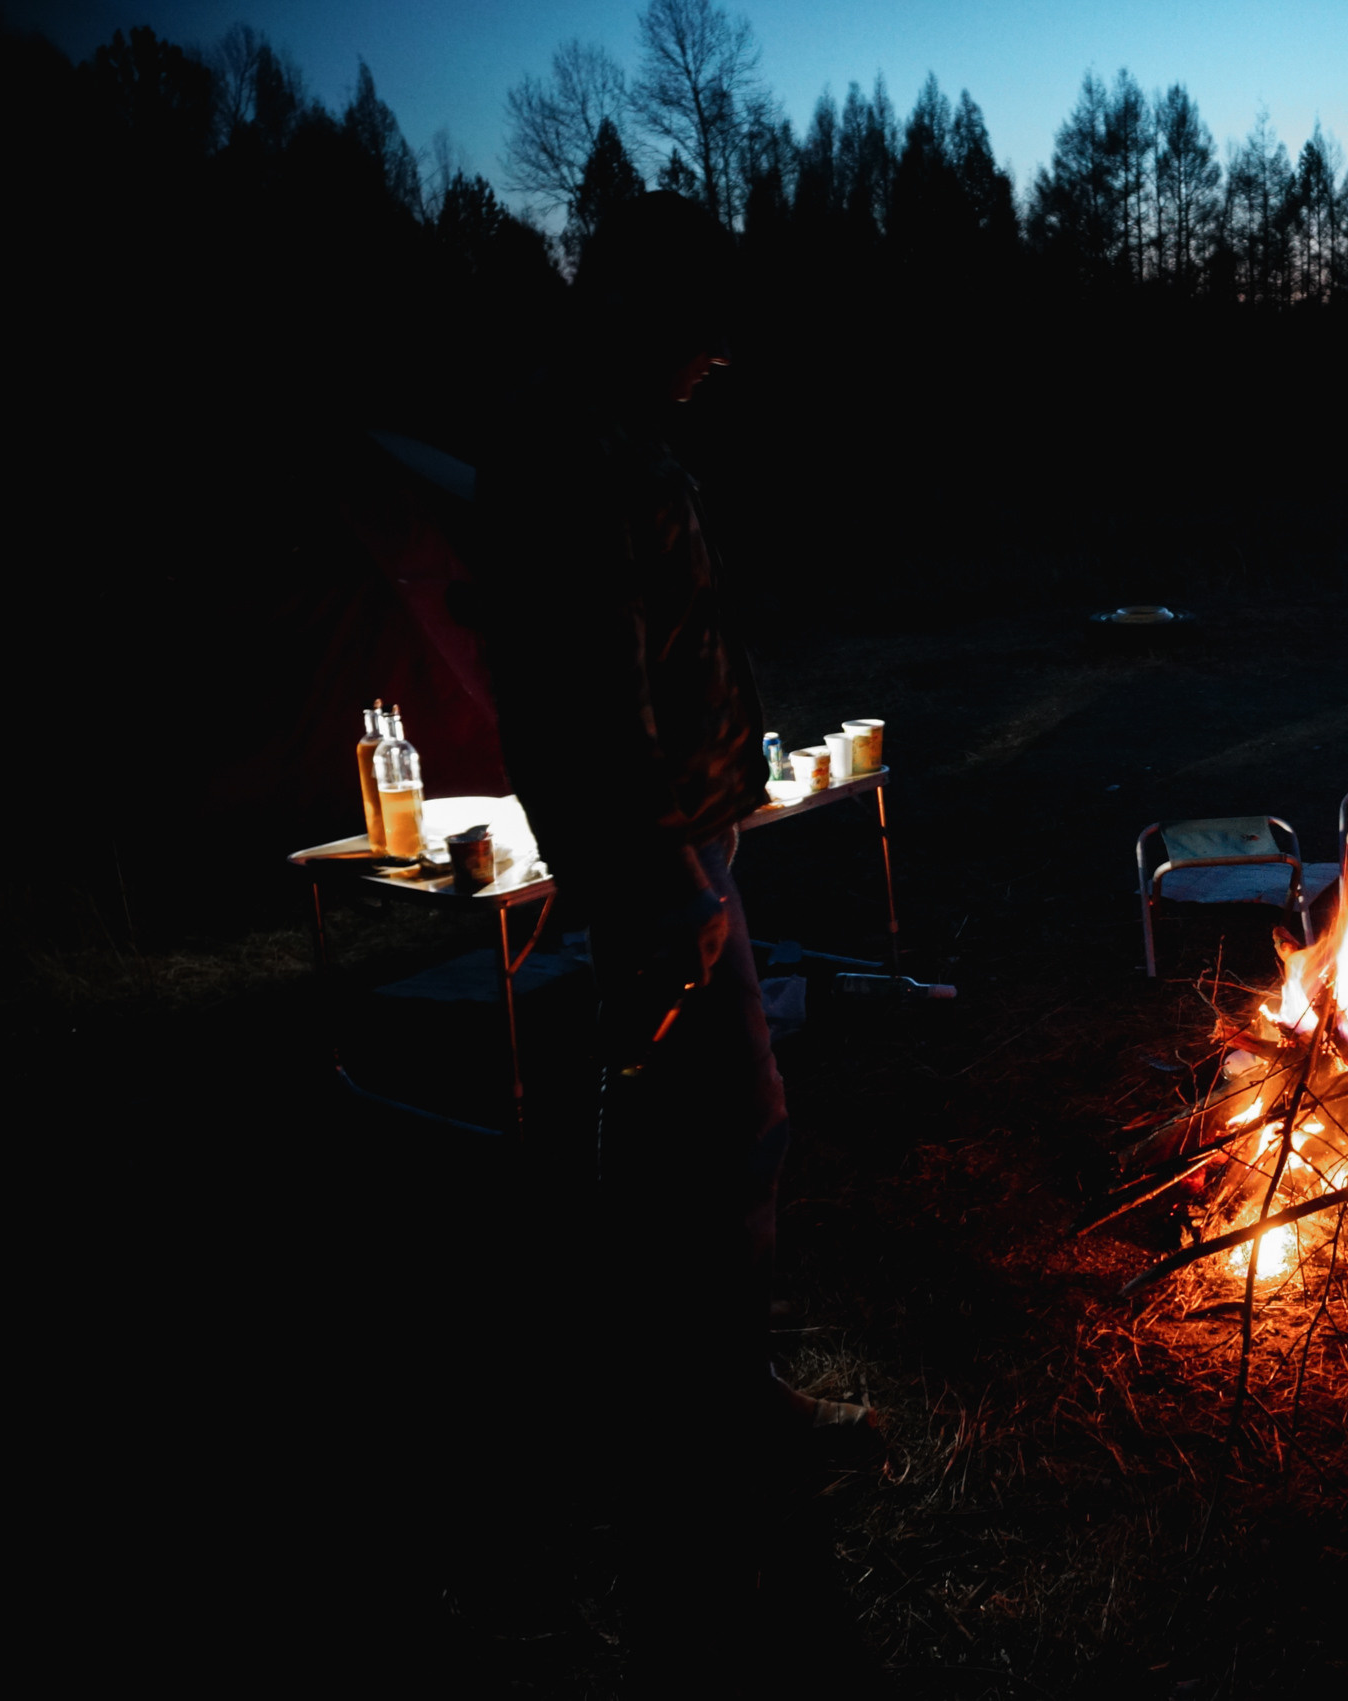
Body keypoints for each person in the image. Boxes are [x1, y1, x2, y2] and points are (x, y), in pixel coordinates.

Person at [472, 190, 877, 1662]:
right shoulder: (574, 449)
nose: (720, 356)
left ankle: (724, 1394)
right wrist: (667, 892)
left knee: (736, 1129)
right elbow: (585, 701)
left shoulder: (621, 435)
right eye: (703, 327)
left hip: (693, 851)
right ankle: (682, 1459)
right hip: (661, 871)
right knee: (685, 1147)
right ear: (644, 308)